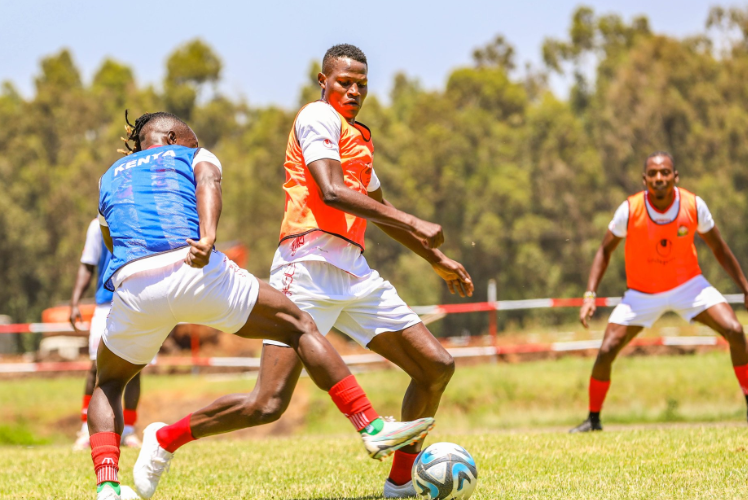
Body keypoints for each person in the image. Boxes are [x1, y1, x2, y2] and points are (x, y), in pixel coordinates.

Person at [90, 111, 434, 500]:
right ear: (171, 137)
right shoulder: (194, 157)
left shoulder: (109, 176)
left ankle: (107, 487)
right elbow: (208, 184)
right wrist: (208, 237)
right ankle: (370, 427)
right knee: (298, 324)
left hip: (135, 286)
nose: (196, 145)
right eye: (192, 139)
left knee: (110, 382)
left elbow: (112, 240)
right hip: (195, 269)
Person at [238, 43, 473, 498]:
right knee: (266, 404)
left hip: (354, 272)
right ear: (323, 81)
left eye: (361, 84)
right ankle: (165, 439)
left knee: (436, 366)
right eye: (344, 82)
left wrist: (436, 259)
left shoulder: (358, 139)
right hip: (304, 266)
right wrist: (414, 221)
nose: (353, 91)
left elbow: (379, 210)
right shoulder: (315, 117)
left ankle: (400, 485)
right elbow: (331, 191)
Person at [570, 151, 748, 433]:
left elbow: (719, 248)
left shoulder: (693, 205)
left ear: (675, 177)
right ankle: (593, 420)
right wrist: (590, 295)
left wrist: (745, 287)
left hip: (689, 286)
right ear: (644, 180)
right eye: (652, 173)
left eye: (665, 172)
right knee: (606, 350)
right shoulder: (629, 210)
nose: (659, 178)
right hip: (642, 293)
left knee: (736, 331)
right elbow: (605, 250)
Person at [71, 219, 142, 451]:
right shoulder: (95, 226)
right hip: (104, 306)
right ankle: (85, 429)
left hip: (136, 301)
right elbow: (87, 265)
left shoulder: (139, 215)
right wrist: (75, 301)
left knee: (136, 366)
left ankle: (129, 430)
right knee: (95, 367)